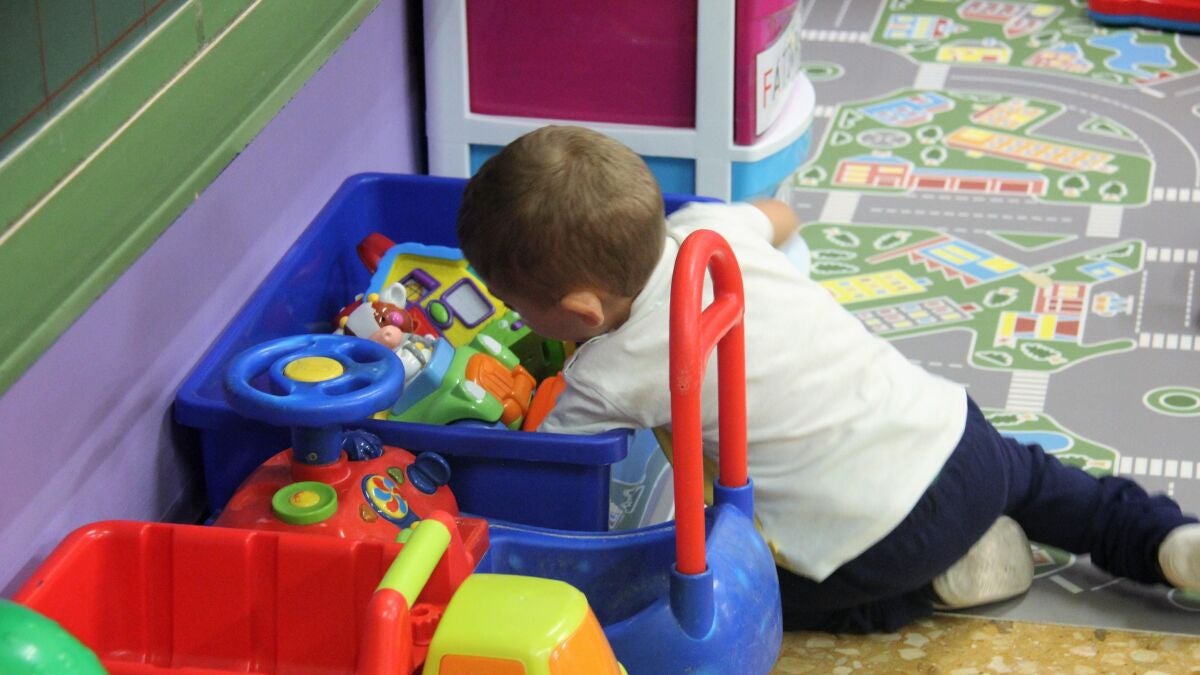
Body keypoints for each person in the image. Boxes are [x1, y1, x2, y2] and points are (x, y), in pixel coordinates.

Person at [455, 125, 1200, 633]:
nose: (513, 314)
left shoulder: (605, 376)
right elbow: (780, 214)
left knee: (744, 594)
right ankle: (1164, 537)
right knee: (1041, 480)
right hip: (953, 436)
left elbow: (542, 474)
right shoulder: (708, 233)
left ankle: (928, 585)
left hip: (881, 538)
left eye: (514, 305)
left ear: (581, 313)